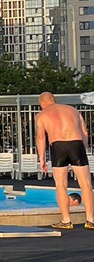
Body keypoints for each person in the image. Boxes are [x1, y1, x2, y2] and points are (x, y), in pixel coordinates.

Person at [35, 92, 94, 230]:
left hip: (58, 146)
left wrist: (42, 158)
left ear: (42, 103)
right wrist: (81, 148)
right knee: (86, 184)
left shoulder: (42, 115)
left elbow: (41, 138)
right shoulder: (72, 110)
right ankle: (91, 220)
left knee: (61, 185)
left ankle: (66, 221)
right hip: (76, 144)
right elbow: (85, 132)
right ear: (54, 100)